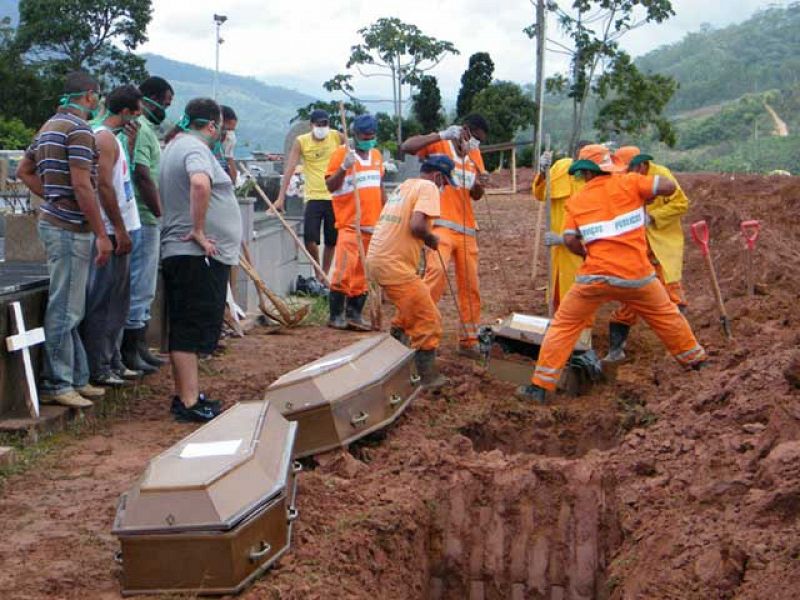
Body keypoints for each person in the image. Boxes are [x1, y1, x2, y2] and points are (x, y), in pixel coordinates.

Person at [516, 144, 707, 403]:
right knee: (666, 316)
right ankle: (697, 363)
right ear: (609, 167)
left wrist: (588, 255)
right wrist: (645, 196)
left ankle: (540, 387)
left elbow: (571, 239)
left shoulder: (578, 200)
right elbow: (668, 187)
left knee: (563, 326)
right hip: (637, 276)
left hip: (593, 277)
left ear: (585, 173)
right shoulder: (630, 182)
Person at [16, 71, 112, 408]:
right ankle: (58, 382)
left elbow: (23, 171)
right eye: (97, 96)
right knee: (66, 309)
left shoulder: (49, 127)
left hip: (55, 223)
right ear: (89, 96)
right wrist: (101, 232)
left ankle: (76, 377)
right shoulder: (79, 131)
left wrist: (52, 198)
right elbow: (83, 184)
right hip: (71, 229)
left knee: (71, 305)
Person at [160, 98, 242, 422]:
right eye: (219, 129)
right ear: (211, 126)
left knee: (185, 326)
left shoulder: (176, 145)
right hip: (193, 253)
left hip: (187, 253)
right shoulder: (194, 148)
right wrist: (198, 230)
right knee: (190, 328)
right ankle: (190, 402)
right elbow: (199, 182)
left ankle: (186, 396)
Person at [400, 114, 489, 358]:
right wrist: (441, 135)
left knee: (471, 287)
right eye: (475, 139)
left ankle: (469, 340)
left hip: (467, 229)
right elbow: (406, 147)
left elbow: (477, 194)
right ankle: (413, 328)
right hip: (440, 225)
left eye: (480, 142)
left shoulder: (474, 155)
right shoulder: (440, 144)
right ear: (465, 131)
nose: (476, 145)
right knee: (435, 276)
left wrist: (479, 183)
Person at [366, 156, 455, 389]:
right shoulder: (428, 187)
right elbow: (416, 226)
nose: (443, 188)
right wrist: (431, 238)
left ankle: (392, 361)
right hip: (393, 265)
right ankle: (427, 378)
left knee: (408, 312)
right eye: (444, 183)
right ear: (437, 176)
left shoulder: (404, 186)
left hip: (378, 259)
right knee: (429, 320)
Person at [80, 85, 143, 386]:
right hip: (112, 228)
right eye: (137, 109)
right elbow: (103, 185)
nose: (140, 115)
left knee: (119, 300)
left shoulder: (115, 139)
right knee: (104, 301)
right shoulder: (103, 138)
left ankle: (113, 359)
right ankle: (99, 365)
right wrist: (117, 229)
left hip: (125, 226)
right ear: (126, 112)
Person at [604, 147, 691, 361]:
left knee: (672, 296)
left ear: (641, 165)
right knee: (630, 299)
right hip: (637, 251)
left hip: (662, 247)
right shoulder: (622, 180)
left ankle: (680, 350)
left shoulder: (661, 176)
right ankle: (615, 350)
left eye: (629, 170)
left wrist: (652, 217)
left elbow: (681, 203)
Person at [119, 76, 174, 375]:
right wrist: (158, 210)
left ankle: (139, 345)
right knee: (139, 284)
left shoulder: (149, 130)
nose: (166, 108)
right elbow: (142, 173)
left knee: (145, 286)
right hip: (142, 215)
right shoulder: (139, 131)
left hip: (147, 217)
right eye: (165, 103)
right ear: (149, 98)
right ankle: (130, 348)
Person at [324, 113, 385, 330]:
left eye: (372, 135)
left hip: (372, 225)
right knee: (343, 271)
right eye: (364, 135)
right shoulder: (341, 154)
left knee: (362, 274)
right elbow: (330, 186)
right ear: (355, 135)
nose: (369, 138)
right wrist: (343, 167)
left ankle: (354, 313)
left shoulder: (377, 155)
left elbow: (380, 187)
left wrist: (385, 215)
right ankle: (336, 314)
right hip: (350, 224)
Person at [275, 109, 344, 282]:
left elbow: (351, 150)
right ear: (312, 125)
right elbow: (290, 168)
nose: (322, 128)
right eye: (319, 124)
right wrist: (281, 197)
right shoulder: (302, 142)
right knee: (310, 239)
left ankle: (323, 277)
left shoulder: (336, 137)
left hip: (334, 196)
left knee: (331, 240)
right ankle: (318, 269)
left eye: (325, 124)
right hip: (313, 196)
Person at [532, 141, 592, 311]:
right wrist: (543, 172)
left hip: (581, 252)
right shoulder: (560, 168)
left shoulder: (597, 183)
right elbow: (540, 193)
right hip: (557, 254)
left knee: (580, 299)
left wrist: (565, 239)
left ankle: (582, 335)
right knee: (557, 296)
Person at [219, 105, 239, 183]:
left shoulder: (222, 153)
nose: (230, 134)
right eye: (228, 130)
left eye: (232, 131)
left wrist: (229, 154)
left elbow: (233, 180)